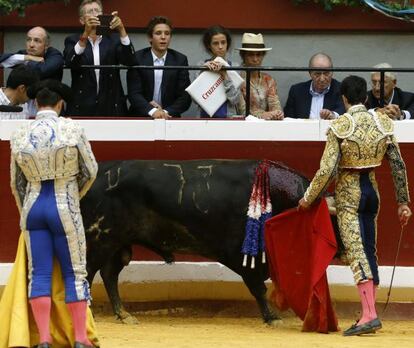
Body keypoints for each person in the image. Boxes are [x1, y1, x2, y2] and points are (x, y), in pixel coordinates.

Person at [298, 75, 411, 336]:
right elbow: (397, 165)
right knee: (369, 248)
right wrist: (403, 201)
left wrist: (308, 198)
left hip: (350, 192)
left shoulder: (340, 125)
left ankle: (369, 314)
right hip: (373, 192)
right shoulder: (383, 122)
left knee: (356, 251)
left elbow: (326, 170)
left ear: (344, 98)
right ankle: (369, 311)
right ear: (365, 97)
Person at [10, 79, 98, 348]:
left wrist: (25, 210)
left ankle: (45, 340)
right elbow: (90, 171)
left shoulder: (21, 132)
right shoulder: (72, 128)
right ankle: (81, 339)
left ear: (36, 104)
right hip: (64, 204)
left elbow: (16, 183)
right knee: (75, 273)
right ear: (61, 104)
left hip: (33, 207)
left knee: (39, 275)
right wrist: (74, 195)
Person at [63, 0, 135, 116]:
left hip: (111, 104)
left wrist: (122, 30)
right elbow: (70, 62)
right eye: (90, 11)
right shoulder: (72, 40)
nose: (95, 14)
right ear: (82, 20)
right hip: (82, 105)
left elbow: (130, 61)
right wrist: (85, 34)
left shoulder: (113, 39)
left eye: (97, 11)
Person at [127, 16, 191, 118]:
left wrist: (165, 112)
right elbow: (134, 94)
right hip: (141, 116)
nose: (163, 37)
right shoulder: (137, 58)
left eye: (167, 33)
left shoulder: (180, 60)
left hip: (169, 117)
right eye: (158, 33)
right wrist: (153, 111)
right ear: (150, 37)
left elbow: (185, 97)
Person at [236, 33, 283, 120]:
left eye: (258, 55)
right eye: (250, 55)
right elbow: (242, 110)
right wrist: (263, 115)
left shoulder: (268, 79)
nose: (255, 59)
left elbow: (274, 103)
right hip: (245, 126)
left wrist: (277, 113)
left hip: (267, 125)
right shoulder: (238, 79)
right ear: (243, 56)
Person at [198, 25, 242, 118]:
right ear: (209, 46)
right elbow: (196, 99)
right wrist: (204, 73)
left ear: (228, 44)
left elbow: (235, 100)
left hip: (228, 118)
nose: (220, 47)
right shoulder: (201, 65)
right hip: (205, 119)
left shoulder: (234, 66)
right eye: (215, 43)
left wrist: (225, 75)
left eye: (223, 42)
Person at [284, 52, 345, 119]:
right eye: (317, 74)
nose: (322, 79)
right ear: (310, 73)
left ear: (332, 72)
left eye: (326, 73)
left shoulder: (342, 89)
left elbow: (344, 111)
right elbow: (288, 118)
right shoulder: (296, 91)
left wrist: (333, 115)